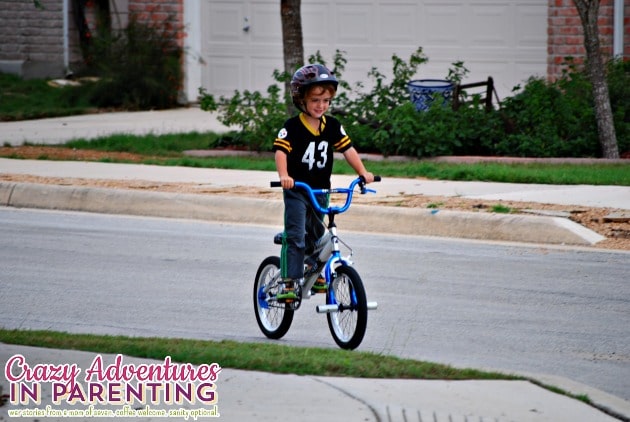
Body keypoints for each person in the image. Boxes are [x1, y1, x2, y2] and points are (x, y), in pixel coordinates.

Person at [273, 63, 375, 302]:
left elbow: (347, 149)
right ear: (302, 100)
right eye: (315, 100)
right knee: (297, 234)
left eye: (326, 101)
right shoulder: (293, 127)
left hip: (320, 190)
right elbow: (280, 152)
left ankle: (316, 272)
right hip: (298, 189)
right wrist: (284, 176)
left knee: (319, 234)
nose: (321, 106)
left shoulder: (332, 126)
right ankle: (288, 280)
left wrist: (362, 172)